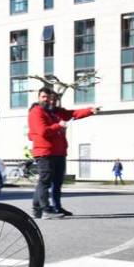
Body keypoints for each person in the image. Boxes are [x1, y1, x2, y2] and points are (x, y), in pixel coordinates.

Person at [27, 87, 98, 219]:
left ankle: (45, 209)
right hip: (44, 152)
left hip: (58, 152)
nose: (48, 100)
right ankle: (46, 209)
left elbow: (73, 113)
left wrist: (90, 110)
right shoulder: (36, 112)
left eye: (51, 98)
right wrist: (59, 125)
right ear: (39, 97)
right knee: (45, 181)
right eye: (44, 97)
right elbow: (43, 131)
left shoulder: (55, 112)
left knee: (56, 182)